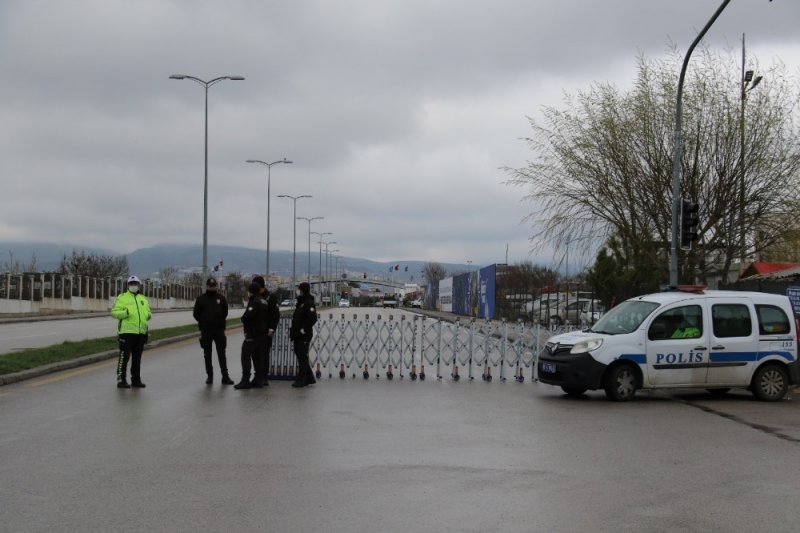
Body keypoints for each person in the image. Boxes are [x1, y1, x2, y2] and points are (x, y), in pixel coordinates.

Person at [111, 275, 152, 388]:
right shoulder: (122, 297)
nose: (134, 286)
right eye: (131, 284)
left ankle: (136, 380)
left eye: (135, 284)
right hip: (127, 332)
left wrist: (148, 315)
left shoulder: (143, 298)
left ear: (139, 285)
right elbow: (114, 312)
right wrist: (126, 313)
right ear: (128, 285)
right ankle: (121, 380)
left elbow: (148, 313)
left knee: (137, 359)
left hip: (140, 333)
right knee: (124, 357)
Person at [193, 277, 233, 385]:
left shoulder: (221, 298)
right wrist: (203, 322)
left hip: (219, 330)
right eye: (210, 286)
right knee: (207, 354)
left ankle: (225, 376)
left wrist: (219, 321)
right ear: (207, 286)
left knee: (221, 354)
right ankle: (210, 376)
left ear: (216, 286)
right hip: (206, 331)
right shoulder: (201, 299)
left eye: (214, 286)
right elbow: (196, 314)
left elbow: (225, 312)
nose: (212, 288)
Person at [235, 282, 268, 389]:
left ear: (251, 291)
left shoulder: (254, 301)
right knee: (257, 357)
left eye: (248, 291)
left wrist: (243, 319)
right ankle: (258, 379)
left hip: (253, 333)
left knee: (245, 355)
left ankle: (245, 380)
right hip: (262, 334)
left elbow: (248, 316)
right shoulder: (264, 301)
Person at [252, 275, 281, 385]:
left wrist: (272, 329)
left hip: (265, 331)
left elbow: (275, 315)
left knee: (263, 354)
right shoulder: (255, 297)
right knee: (255, 355)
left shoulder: (270, 297)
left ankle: (263, 377)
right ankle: (257, 376)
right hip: (255, 331)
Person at [289, 282, 318, 388]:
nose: (297, 290)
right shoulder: (301, 302)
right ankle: (309, 377)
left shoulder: (308, 302)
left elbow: (313, 318)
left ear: (302, 290)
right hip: (298, 335)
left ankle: (302, 379)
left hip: (304, 335)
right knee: (301, 355)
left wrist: (303, 329)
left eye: (299, 289)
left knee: (302, 356)